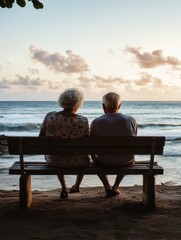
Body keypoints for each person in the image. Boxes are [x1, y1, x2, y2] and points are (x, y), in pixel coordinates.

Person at [71, 91, 137, 197]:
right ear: (120, 105)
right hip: (126, 161)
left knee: (96, 161)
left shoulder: (96, 122)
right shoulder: (131, 120)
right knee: (128, 156)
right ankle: (115, 187)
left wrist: (94, 158)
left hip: (103, 162)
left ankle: (107, 186)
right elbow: (133, 143)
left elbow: (91, 146)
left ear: (103, 106)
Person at [39, 88, 90, 198]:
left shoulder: (50, 116)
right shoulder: (83, 120)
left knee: (57, 153)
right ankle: (77, 185)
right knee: (84, 156)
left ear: (61, 101)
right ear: (78, 103)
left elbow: (40, 137)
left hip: (55, 160)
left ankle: (63, 188)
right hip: (79, 162)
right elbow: (87, 143)